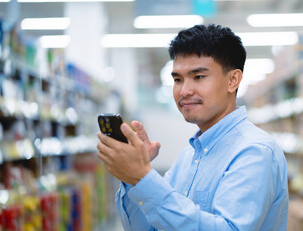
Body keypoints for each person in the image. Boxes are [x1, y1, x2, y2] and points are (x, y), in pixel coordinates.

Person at [96, 24, 288, 230]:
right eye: (178, 79)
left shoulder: (254, 151)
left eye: (198, 77)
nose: (184, 91)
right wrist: (133, 178)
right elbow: (146, 227)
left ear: (233, 80)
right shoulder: (189, 157)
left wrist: (143, 178)